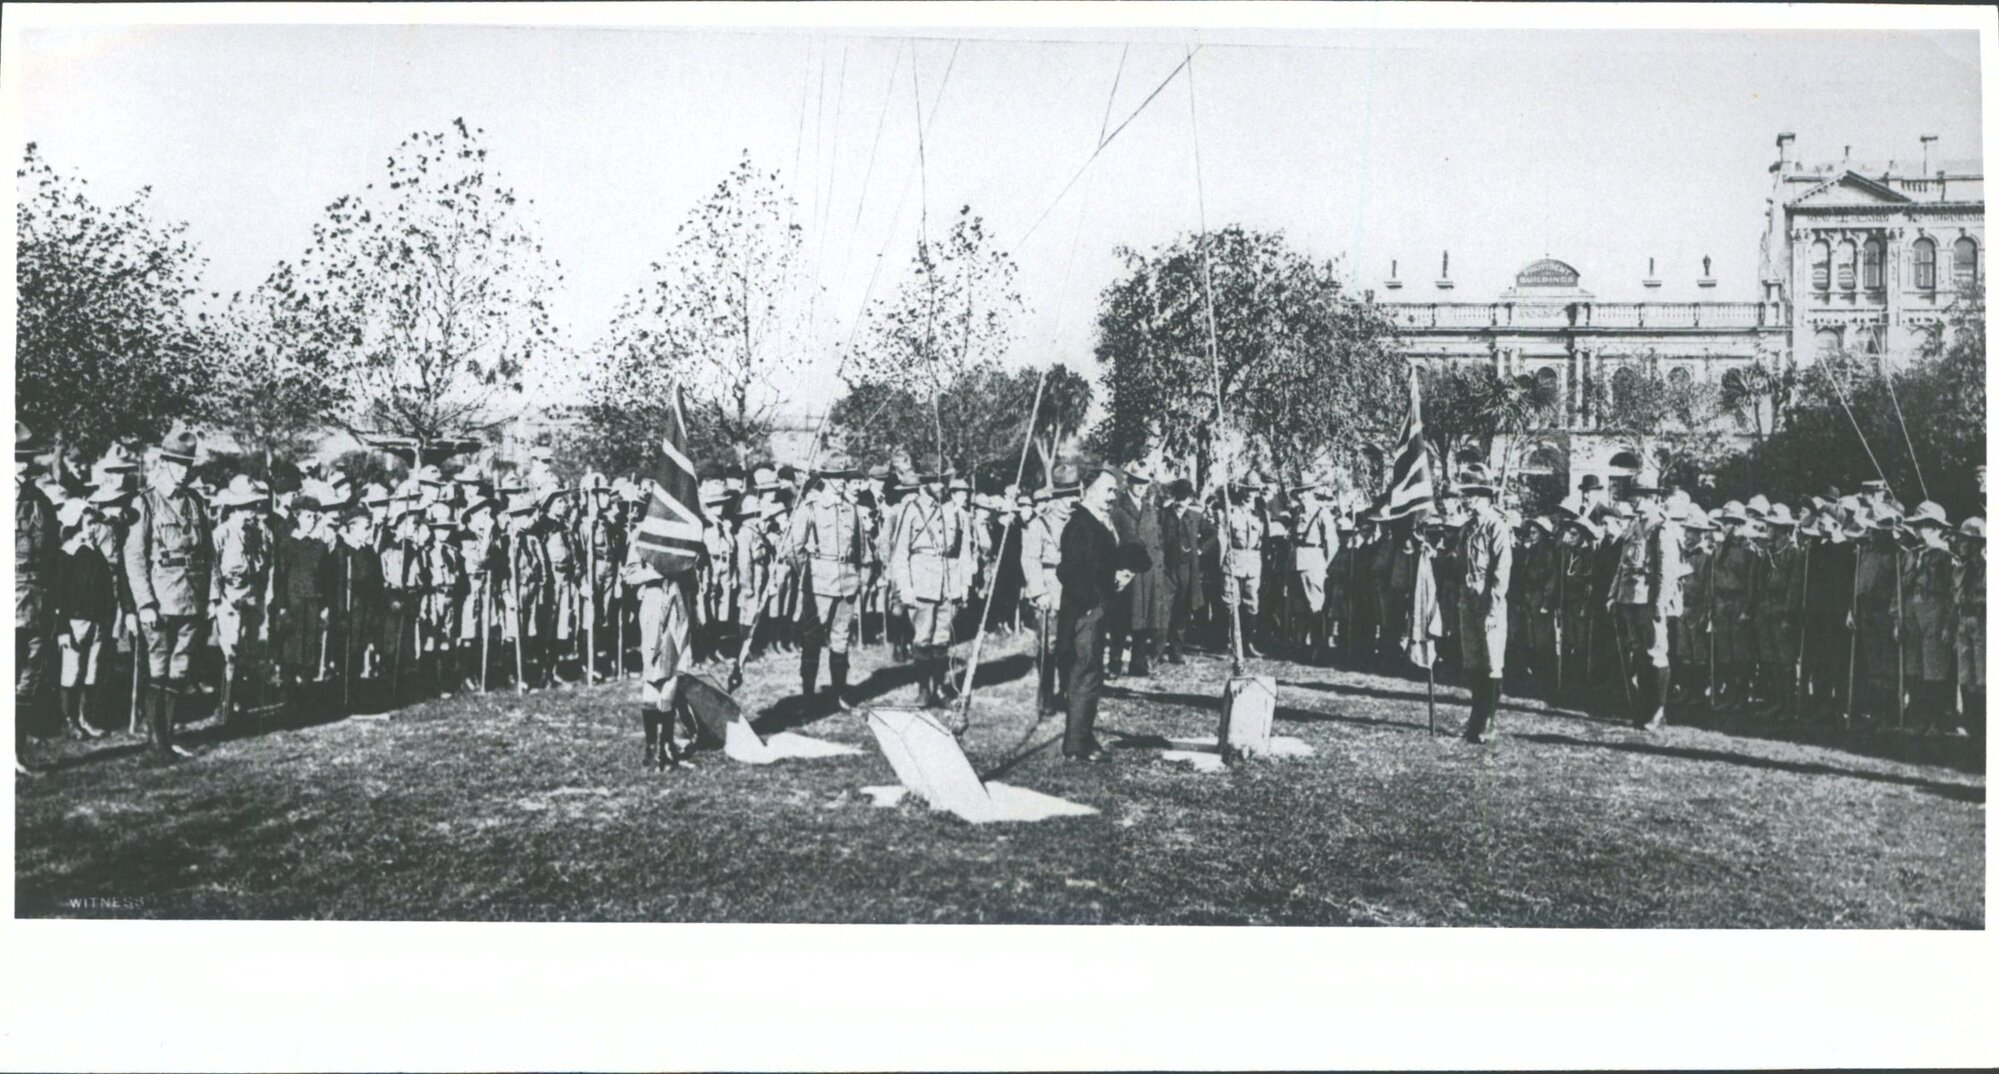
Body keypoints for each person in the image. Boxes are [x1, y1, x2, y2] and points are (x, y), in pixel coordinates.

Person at [123, 431, 212, 763]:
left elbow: (209, 554)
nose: (185, 472)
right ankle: (155, 741)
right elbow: (134, 557)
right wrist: (144, 603)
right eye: (178, 465)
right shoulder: (144, 502)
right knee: (157, 669)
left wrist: (212, 597)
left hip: (193, 598)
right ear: (163, 463)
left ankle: (169, 737)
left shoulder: (195, 502)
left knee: (181, 670)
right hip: (159, 601)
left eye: (188, 465)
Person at [1058, 466, 1134, 763]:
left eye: (1115, 491)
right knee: (1085, 675)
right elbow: (1070, 572)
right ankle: (1077, 744)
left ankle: (1083, 737)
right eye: (1108, 490)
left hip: (1096, 609)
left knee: (1091, 676)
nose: (1112, 497)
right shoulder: (1081, 525)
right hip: (1084, 613)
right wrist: (1091, 603)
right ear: (1088, 490)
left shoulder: (1097, 523)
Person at [887, 468, 964, 707]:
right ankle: (923, 689)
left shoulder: (954, 509)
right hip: (921, 582)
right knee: (922, 639)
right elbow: (900, 553)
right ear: (926, 483)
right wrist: (905, 587)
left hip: (948, 583)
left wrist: (963, 584)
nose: (941, 486)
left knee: (941, 640)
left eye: (944, 481)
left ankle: (940, 688)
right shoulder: (911, 509)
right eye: (936, 482)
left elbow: (962, 551)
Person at [1611, 477, 1681, 731]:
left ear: (1651, 498)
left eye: (1638, 494)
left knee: (1656, 652)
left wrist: (1661, 603)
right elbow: (1623, 563)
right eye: (1633, 493)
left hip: (1650, 599)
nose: (1633, 498)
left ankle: (1658, 710)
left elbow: (1667, 570)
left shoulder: (1662, 528)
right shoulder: (1633, 525)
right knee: (1638, 651)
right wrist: (1613, 594)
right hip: (1630, 597)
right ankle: (1643, 707)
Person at [797, 456, 866, 709]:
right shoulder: (811, 507)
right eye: (835, 477)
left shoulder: (852, 508)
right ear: (825, 478)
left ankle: (840, 694)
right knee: (812, 639)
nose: (840, 482)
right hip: (819, 582)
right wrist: (808, 574)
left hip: (847, 580)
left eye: (843, 477)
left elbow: (860, 547)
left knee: (841, 638)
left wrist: (856, 575)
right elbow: (795, 549)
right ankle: (807, 696)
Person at [1455, 462, 1511, 744]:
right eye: (1464, 494)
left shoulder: (1496, 527)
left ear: (1485, 496)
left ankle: (1488, 721)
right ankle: (1476, 719)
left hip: (1489, 603)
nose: (1465, 500)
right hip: (1468, 602)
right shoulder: (1467, 529)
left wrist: (1492, 609)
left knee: (1492, 663)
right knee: (1474, 662)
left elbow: (1502, 572)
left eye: (1471, 494)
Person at [211, 475, 273, 727]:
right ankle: (225, 706)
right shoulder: (222, 533)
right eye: (246, 507)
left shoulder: (262, 532)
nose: (251, 512)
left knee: (253, 651)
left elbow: (269, 565)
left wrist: (266, 597)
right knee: (230, 652)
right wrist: (218, 600)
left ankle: (246, 704)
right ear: (234, 508)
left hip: (254, 596)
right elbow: (212, 569)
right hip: (230, 597)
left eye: (254, 506)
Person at [16, 423, 61, 772]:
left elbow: (53, 557)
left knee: (28, 681)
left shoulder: (42, 502)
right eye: (15, 459)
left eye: (26, 460)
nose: (21, 467)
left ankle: (14, 754)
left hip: (38, 601)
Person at [626, 558, 698, 770]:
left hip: (680, 603)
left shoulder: (686, 534)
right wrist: (659, 572)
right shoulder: (644, 533)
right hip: (654, 603)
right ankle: (651, 748)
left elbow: (693, 578)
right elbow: (630, 574)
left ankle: (665, 744)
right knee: (654, 673)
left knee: (676, 670)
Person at [54, 497, 116, 740]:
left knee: (92, 670)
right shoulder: (67, 554)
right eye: (88, 523)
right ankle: (69, 720)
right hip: (75, 622)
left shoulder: (94, 551)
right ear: (76, 523)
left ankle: (85, 717)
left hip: (97, 620)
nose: (93, 528)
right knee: (72, 671)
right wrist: (62, 628)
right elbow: (59, 595)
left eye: (93, 523)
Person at [1901, 501, 1957, 733]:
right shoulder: (1911, 555)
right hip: (1913, 609)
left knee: (1934, 667)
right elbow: (1902, 588)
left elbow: (1953, 593)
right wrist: (1899, 617)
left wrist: (1948, 624)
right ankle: (1918, 715)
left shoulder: (1946, 557)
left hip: (1935, 612)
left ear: (1935, 528)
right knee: (1913, 665)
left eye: (1922, 526)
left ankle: (1936, 717)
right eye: (1915, 525)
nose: (1916, 530)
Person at [1290, 476, 1338, 665]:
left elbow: (1332, 542)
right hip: (1296, 562)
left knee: (1315, 606)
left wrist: (1324, 565)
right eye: (1299, 491)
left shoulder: (1321, 512)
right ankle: (1300, 644)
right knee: (1298, 607)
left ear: (1311, 492)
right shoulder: (1297, 512)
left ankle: (1318, 647)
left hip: (1313, 561)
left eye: (1304, 491)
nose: (1301, 495)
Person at [1223, 476, 1266, 656]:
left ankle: (1248, 643)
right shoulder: (1231, 511)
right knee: (1231, 602)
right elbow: (1223, 538)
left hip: (1253, 561)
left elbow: (1267, 539)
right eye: (1248, 489)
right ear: (1242, 490)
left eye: (1254, 490)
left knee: (1252, 603)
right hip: (1235, 559)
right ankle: (1231, 643)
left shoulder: (1261, 514)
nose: (1251, 493)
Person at [1952, 516, 1984, 744]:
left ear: (1976, 544)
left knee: (1983, 676)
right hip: (1964, 620)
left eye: (1965, 540)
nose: (1960, 544)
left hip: (1984, 622)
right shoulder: (1962, 568)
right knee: (1966, 675)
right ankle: (1972, 725)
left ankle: (1984, 729)